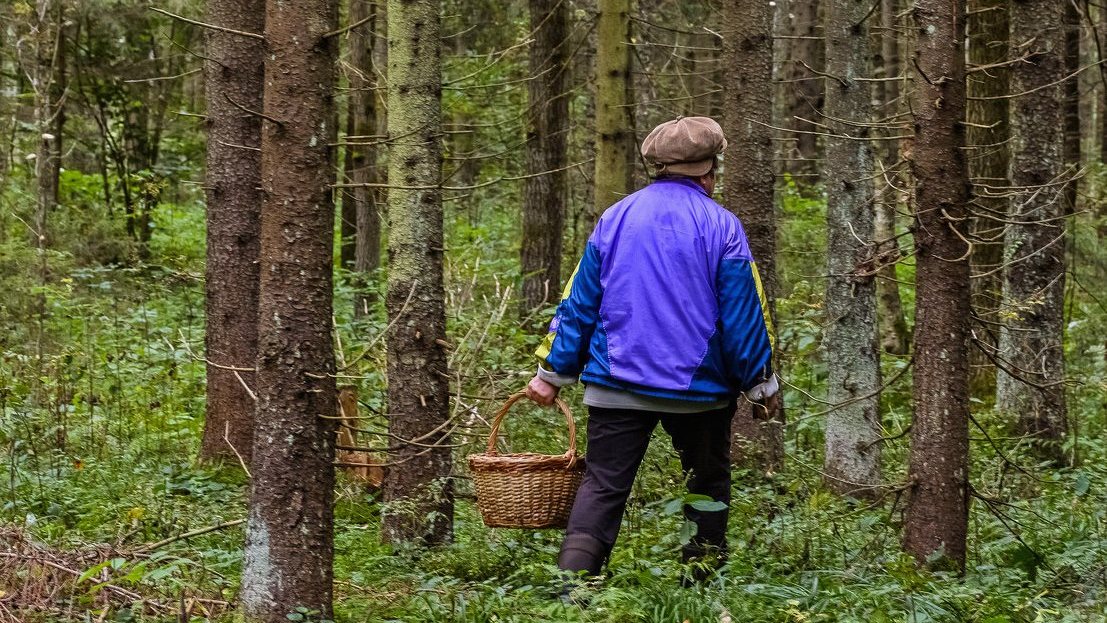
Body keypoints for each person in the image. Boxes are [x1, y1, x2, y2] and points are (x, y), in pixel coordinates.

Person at [524, 116, 779, 580]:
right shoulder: (723, 227)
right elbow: (743, 315)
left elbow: (579, 303)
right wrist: (761, 385)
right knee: (708, 484)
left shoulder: (614, 218)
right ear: (709, 170)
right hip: (700, 394)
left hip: (614, 384)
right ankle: (699, 587)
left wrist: (551, 374)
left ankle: (571, 591)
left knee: (602, 486)